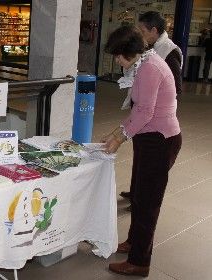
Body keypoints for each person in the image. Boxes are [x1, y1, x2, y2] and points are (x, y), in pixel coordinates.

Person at [102, 25, 181, 277]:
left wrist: (119, 139)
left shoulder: (149, 68)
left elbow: (145, 113)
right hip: (149, 139)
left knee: (147, 203)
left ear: (130, 51)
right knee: (138, 196)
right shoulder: (144, 63)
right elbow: (138, 112)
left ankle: (140, 261)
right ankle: (133, 243)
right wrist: (116, 132)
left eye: (117, 55)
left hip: (159, 141)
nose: (116, 60)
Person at [120, 11, 183, 202]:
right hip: (143, 119)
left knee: (149, 178)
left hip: (156, 125)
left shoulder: (167, 52)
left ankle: (141, 196)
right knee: (140, 161)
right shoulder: (148, 52)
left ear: (154, 30)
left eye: (141, 30)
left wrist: (119, 136)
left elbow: (175, 88)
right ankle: (136, 192)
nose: (138, 34)